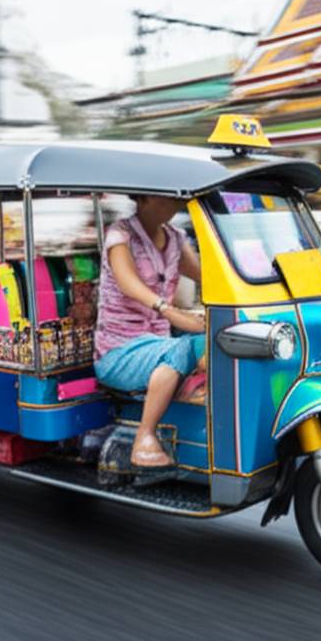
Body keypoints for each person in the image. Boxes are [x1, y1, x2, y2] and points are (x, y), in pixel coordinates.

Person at [93, 195, 205, 468]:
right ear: (142, 199)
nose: (174, 203)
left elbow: (205, 274)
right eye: (165, 197)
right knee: (184, 348)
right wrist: (171, 311)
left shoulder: (175, 238)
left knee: (213, 340)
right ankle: (144, 438)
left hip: (158, 342)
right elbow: (129, 283)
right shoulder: (120, 236)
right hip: (120, 350)